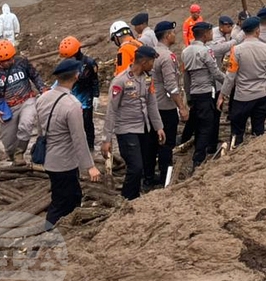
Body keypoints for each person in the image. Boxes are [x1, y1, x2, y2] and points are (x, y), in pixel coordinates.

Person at [34, 59, 101, 229]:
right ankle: (50, 233)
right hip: (64, 163)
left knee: (65, 197)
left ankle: (62, 231)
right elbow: (79, 138)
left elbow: (40, 128)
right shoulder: (72, 105)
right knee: (63, 202)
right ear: (76, 76)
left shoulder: (43, 98)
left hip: (48, 159)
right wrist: (90, 166)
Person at [101, 46, 163, 201]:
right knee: (136, 167)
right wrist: (106, 139)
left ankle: (135, 197)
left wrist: (159, 127)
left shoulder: (147, 78)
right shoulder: (120, 81)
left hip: (143, 128)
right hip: (126, 130)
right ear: (143, 61)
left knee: (141, 167)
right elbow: (111, 110)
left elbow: (151, 104)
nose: (153, 65)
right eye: (151, 61)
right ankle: (127, 199)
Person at [0, 40, 46, 164]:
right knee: (8, 141)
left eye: (10, 58)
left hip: (27, 100)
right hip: (8, 107)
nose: (9, 62)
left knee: (26, 125)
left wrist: (42, 88)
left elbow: (35, 76)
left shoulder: (22, 62)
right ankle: (13, 156)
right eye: (5, 61)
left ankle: (19, 153)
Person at [218, 17, 266, 146]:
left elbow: (230, 76)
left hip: (242, 97)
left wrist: (223, 95)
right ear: (257, 31)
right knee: (259, 129)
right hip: (261, 95)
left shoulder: (237, 50)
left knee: (237, 131)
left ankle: (235, 152)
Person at [145, 22, 188, 189]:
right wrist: (182, 107)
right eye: (173, 32)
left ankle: (148, 178)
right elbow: (172, 86)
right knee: (166, 144)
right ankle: (165, 179)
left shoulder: (151, 53)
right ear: (167, 35)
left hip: (150, 106)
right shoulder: (167, 57)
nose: (175, 35)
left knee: (150, 144)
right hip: (165, 107)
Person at [183, 22, 225, 170]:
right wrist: (229, 82)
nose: (212, 34)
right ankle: (198, 159)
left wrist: (188, 95)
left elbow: (186, 76)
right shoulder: (206, 51)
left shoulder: (186, 51)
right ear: (205, 34)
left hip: (194, 94)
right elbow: (215, 73)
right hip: (206, 92)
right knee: (206, 127)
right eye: (210, 32)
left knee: (198, 123)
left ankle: (189, 145)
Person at [58, 36, 99, 150]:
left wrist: (96, 96)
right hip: (70, 98)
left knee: (87, 123)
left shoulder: (89, 63)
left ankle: (90, 146)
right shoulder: (66, 65)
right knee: (70, 123)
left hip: (86, 99)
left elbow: (95, 80)